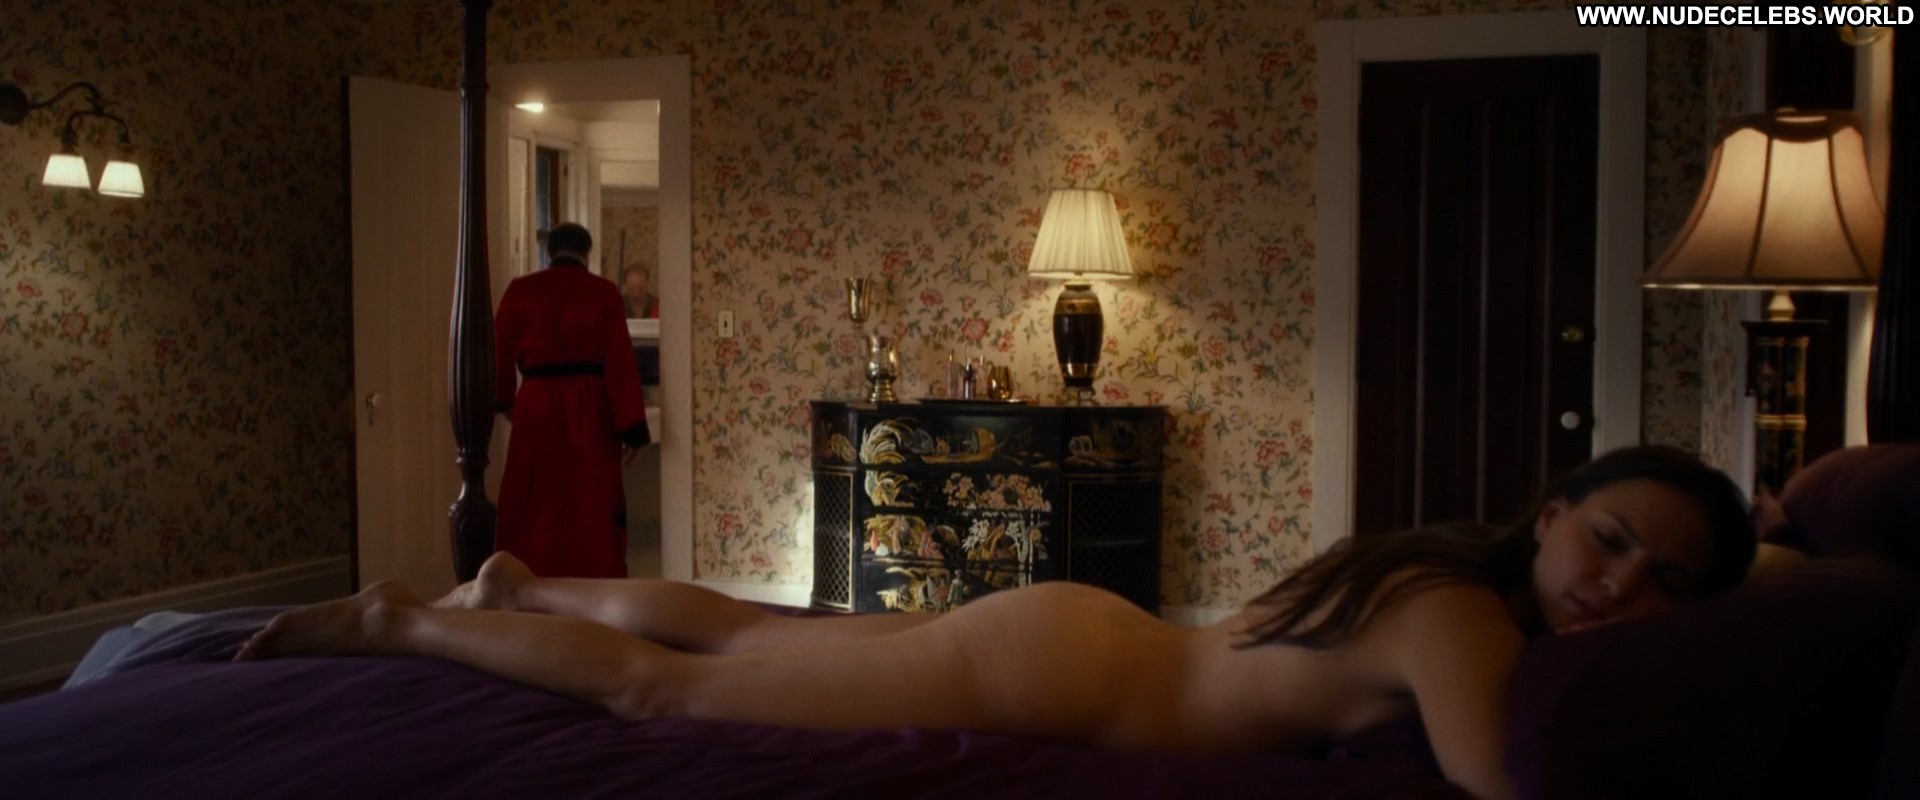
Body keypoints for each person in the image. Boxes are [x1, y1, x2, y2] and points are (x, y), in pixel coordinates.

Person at [236, 445, 1753, 800]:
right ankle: (406, 626)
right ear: (1552, 514)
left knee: (749, 634)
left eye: (1666, 582)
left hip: (1082, 640)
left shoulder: (1439, 576)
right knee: (665, 697)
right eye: (1610, 540)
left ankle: (521, 587)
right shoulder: (1467, 621)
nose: (1619, 586)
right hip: (1062, 667)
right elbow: (1506, 784)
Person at [492, 222, 652, 579]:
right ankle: (592, 580)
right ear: (586, 253)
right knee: (591, 497)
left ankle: (527, 577)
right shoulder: (604, 293)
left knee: (534, 496)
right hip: (590, 405)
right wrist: (632, 428)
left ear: (550, 252)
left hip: (536, 403)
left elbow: (498, 352)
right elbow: (620, 363)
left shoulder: (520, 291)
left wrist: (504, 400)